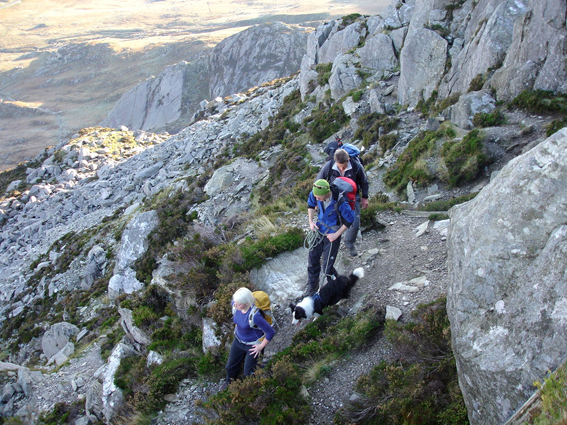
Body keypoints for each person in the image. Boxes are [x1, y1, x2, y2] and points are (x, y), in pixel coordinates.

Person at [305, 179, 355, 296]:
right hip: (319, 229)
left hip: (332, 234)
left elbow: (350, 219)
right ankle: (312, 289)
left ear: (327, 193)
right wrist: (311, 221)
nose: (317, 199)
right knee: (312, 261)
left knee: (327, 268)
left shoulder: (340, 201)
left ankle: (338, 288)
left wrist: (336, 234)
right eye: (316, 196)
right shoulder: (315, 193)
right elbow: (311, 205)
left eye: (319, 197)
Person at [317, 147, 369, 257]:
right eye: (340, 166)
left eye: (345, 165)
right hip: (334, 198)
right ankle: (327, 245)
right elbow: (318, 182)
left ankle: (349, 242)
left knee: (354, 223)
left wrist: (365, 197)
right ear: (335, 161)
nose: (343, 168)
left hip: (352, 198)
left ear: (348, 159)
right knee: (331, 222)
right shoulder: (329, 166)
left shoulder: (356, 166)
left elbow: (364, 181)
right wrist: (317, 200)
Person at [222, 287, 275, 390]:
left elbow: (270, 332)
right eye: (235, 302)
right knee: (230, 367)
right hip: (238, 340)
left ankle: (254, 388)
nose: (235, 304)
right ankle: (229, 382)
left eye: (239, 303)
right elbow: (235, 303)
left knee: (249, 373)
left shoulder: (255, 316)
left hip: (253, 345)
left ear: (247, 303)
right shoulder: (236, 305)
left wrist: (260, 347)